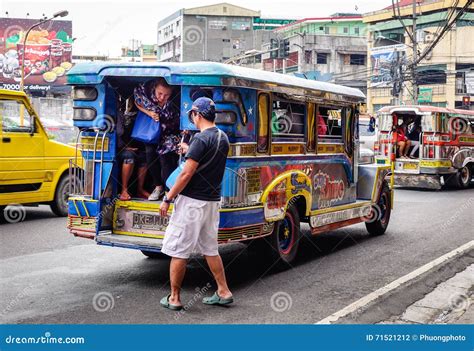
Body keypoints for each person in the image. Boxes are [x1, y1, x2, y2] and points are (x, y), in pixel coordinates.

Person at [159, 97, 233, 311]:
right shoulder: (222, 137)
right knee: (210, 249)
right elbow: (205, 159)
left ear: (197, 115)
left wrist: (168, 198)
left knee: (179, 250)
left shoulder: (200, 140)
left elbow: (186, 174)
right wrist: (189, 148)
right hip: (211, 202)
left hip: (192, 203)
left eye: (192, 114)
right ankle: (223, 291)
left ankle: (174, 297)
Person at [134, 78, 180, 201]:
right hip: (151, 133)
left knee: (165, 158)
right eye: (160, 93)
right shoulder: (146, 91)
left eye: (166, 95)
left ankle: (168, 190)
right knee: (150, 154)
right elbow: (137, 102)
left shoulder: (175, 101)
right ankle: (158, 187)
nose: (162, 97)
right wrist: (149, 113)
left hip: (169, 133)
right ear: (154, 88)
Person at [116, 96, 149, 201]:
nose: (118, 103)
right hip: (112, 150)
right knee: (129, 156)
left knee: (144, 156)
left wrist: (126, 147)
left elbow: (120, 136)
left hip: (122, 147)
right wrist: (124, 148)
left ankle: (140, 189)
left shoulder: (120, 115)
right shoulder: (105, 116)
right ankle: (124, 190)